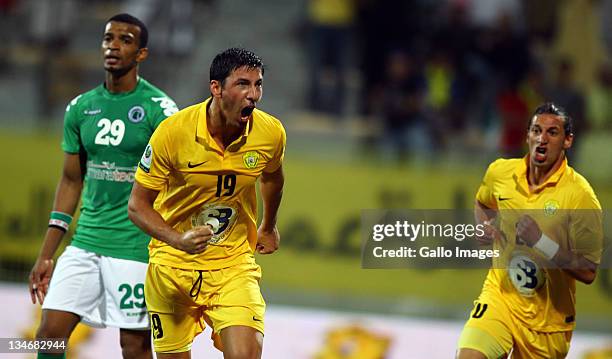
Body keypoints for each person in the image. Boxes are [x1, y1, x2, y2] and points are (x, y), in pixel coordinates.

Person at [28, 13, 178, 359]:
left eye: (126, 40)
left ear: (141, 54)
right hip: (86, 243)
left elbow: (179, 180)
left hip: (135, 248)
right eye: (109, 38)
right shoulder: (81, 108)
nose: (114, 46)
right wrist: (47, 254)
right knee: (48, 336)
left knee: (134, 346)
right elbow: (71, 179)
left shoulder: (161, 111)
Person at [128, 48, 286, 359]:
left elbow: (273, 177)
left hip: (233, 267)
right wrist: (177, 239)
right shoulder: (173, 133)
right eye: (243, 84)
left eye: (258, 84)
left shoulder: (270, 133)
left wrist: (268, 225)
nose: (253, 95)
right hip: (172, 268)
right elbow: (137, 205)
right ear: (216, 87)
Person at [456, 103, 603, 358]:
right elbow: (482, 201)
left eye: (552, 132)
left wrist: (541, 242)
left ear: (568, 141)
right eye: (536, 130)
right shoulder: (501, 172)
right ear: (527, 136)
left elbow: (589, 269)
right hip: (501, 298)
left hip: (548, 324)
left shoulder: (580, 196)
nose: (542, 139)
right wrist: (484, 225)